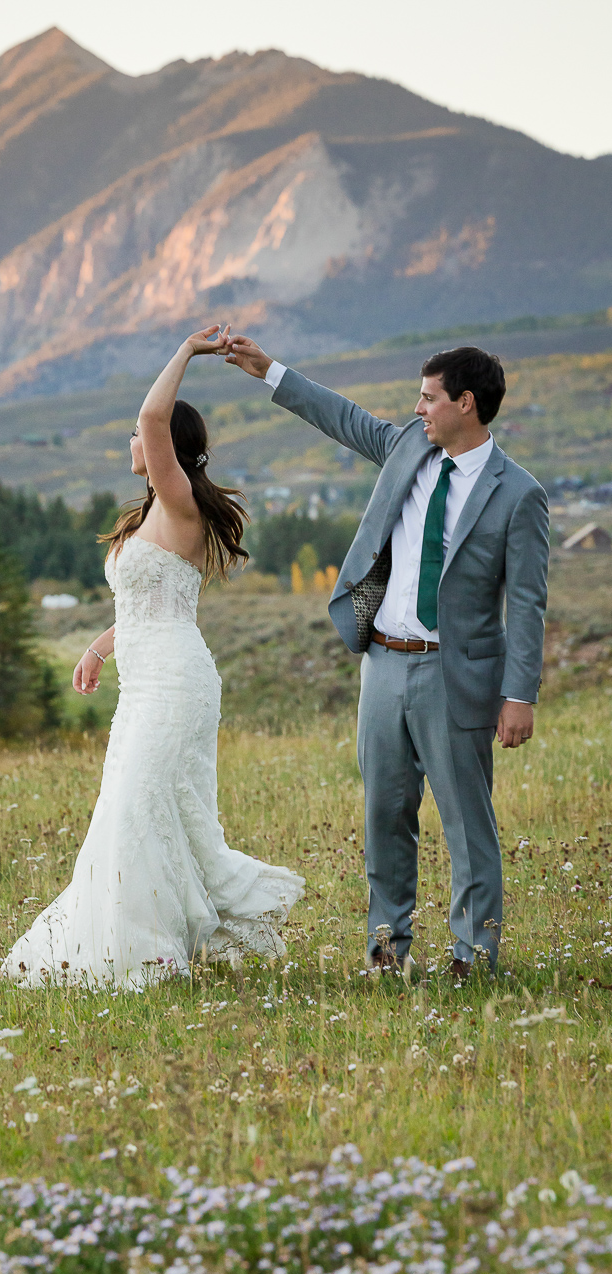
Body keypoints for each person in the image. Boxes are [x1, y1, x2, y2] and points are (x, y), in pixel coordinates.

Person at [225, 337, 548, 977]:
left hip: (454, 677)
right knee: (383, 816)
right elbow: (344, 418)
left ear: (466, 403)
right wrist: (272, 372)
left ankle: (474, 958)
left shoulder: (520, 495)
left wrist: (520, 695)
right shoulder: (408, 447)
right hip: (382, 665)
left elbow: (529, 603)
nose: (418, 408)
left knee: (467, 823)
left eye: (429, 398)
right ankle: (385, 950)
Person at [1, 326, 304, 990]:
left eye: (140, 441)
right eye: (135, 440)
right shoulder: (147, 518)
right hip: (143, 685)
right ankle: (156, 946)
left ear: (169, 447)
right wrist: (96, 648)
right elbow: (143, 604)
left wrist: (187, 353)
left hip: (175, 683)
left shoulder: (180, 503)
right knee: (134, 811)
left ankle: (149, 958)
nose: (133, 443)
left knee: (140, 809)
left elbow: (150, 414)